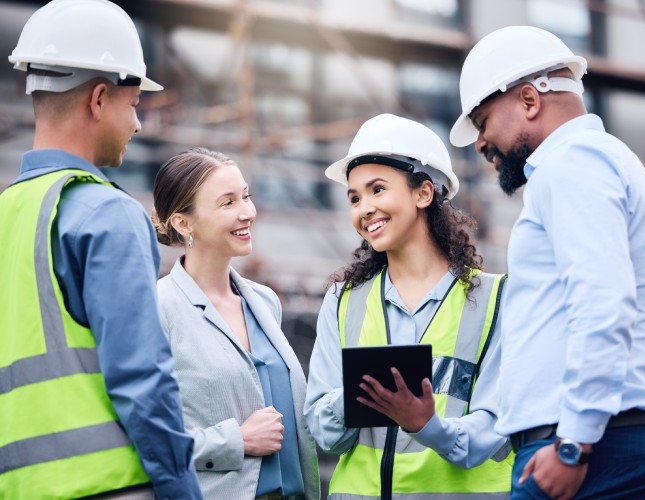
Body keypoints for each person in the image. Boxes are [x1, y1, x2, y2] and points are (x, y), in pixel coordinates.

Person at [450, 25, 645, 499]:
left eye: (483, 121)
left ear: (529, 100)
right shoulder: (597, 162)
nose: (482, 142)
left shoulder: (573, 162)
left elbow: (603, 300)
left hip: (590, 450)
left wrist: (574, 444)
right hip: (601, 441)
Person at [0, 1, 203, 499]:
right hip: (108, 485)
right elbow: (143, 381)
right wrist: (182, 488)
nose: (137, 125)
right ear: (97, 99)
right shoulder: (106, 212)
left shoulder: (7, 211)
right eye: (134, 105)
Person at [304, 114, 512, 499]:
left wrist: (427, 425)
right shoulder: (342, 301)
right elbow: (323, 431)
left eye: (377, 189)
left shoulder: (496, 300)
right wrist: (360, 390)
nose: (364, 208)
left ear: (424, 193)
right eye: (354, 197)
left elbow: (497, 427)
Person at [151, 147, 320, 500]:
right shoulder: (158, 306)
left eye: (246, 196)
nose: (248, 213)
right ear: (184, 223)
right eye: (227, 203)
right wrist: (236, 441)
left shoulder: (265, 302)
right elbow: (146, 438)